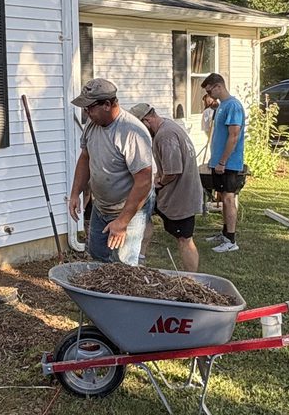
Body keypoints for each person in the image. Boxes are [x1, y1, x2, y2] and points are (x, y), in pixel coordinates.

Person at [67, 78, 154, 265]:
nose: (86, 113)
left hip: (128, 210)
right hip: (101, 207)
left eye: (89, 108)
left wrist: (122, 222)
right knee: (97, 257)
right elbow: (85, 158)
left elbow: (144, 181)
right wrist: (75, 193)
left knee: (123, 265)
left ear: (107, 104)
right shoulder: (92, 125)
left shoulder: (131, 132)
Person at [129, 103, 202, 272]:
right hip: (169, 193)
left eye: (140, 127)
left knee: (184, 239)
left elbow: (173, 171)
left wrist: (160, 182)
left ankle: (192, 279)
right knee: (144, 214)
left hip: (181, 195)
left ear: (147, 120)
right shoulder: (167, 126)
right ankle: (140, 258)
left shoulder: (165, 135)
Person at [200, 74, 246, 253]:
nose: (209, 95)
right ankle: (225, 233)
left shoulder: (233, 106)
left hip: (228, 163)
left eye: (210, 91)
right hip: (219, 162)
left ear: (218, 86)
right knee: (223, 198)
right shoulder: (222, 106)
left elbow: (234, 136)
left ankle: (231, 240)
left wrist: (222, 161)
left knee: (228, 198)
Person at [198, 92, 219, 214]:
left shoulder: (222, 109)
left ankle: (219, 196)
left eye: (210, 98)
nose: (209, 100)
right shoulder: (207, 112)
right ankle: (211, 196)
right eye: (207, 99)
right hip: (213, 141)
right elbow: (206, 129)